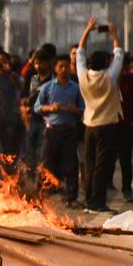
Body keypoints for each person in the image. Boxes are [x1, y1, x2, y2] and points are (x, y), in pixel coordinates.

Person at [77, 17, 123, 213]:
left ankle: (88, 200)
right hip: (107, 127)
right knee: (102, 167)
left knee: (89, 163)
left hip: (89, 125)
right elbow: (119, 54)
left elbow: (80, 53)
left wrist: (87, 30)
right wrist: (114, 36)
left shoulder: (83, 76)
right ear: (106, 63)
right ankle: (97, 202)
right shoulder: (109, 77)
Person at [34, 55, 84, 207]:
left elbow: (83, 108)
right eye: (61, 66)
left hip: (69, 131)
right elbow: (37, 107)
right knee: (46, 163)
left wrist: (75, 109)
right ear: (55, 69)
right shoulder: (47, 87)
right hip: (52, 131)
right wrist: (50, 108)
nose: (64, 69)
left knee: (71, 165)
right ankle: (40, 197)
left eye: (66, 66)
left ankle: (71, 198)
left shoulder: (75, 88)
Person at [21, 48, 53, 181]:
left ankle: (42, 181)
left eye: (41, 63)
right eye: (36, 63)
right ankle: (30, 179)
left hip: (46, 121)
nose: (38, 66)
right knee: (30, 151)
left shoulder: (53, 81)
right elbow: (23, 96)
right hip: (32, 119)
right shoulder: (32, 78)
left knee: (42, 152)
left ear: (48, 63)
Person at [0, 51, 24, 158]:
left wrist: (10, 73)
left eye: (3, 61)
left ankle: (11, 167)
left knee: (10, 144)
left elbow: (21, 90)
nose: (1, 63)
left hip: (11, 115)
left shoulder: (13, 76)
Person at [118, 53, 133, 202]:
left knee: (126, 159)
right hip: (114, 125)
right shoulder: (111, 80)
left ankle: (127, 188)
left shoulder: (130, 80)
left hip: (128, 125)